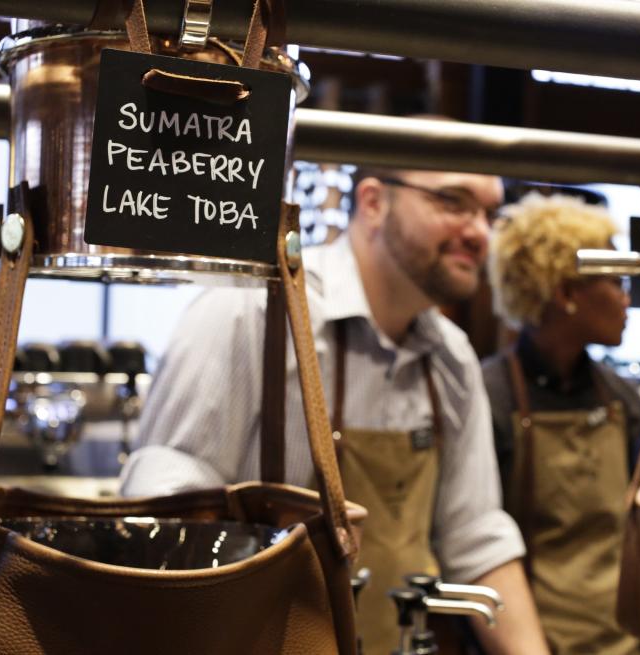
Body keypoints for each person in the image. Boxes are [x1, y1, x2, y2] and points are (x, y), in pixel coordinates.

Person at [120, 167, 549, 654]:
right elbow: (165, 511)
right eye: (454, 202)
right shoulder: (254, 310)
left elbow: (476, 537)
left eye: (490, 213)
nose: (479, 232)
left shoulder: (451, 356)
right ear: (372, 203)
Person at [482, 193, 640, 654]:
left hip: (627, 638)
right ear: (566, 293)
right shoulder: (488, 398)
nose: (625, 297)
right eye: (615, 281)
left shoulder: (623, 401)